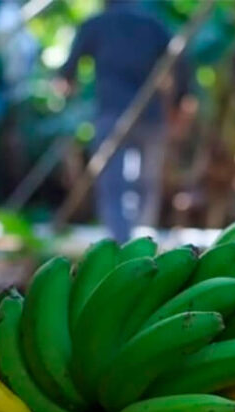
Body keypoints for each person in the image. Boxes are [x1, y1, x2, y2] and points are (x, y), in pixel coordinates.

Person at [56, 0, 190, 242]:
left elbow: (68, 71)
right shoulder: (153, 25)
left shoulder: (96, 25)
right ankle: (143, 240)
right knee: (147, 183)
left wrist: (67, 88)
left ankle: (121, 242)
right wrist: (179, 100)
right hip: (150, 115)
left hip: (112, 113)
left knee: (113, 185)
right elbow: (180, 62)